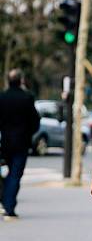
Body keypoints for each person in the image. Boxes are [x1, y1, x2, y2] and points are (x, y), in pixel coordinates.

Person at [0, 69, 40, 220]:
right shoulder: (27, 98)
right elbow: (35, 120)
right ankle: (9, 207)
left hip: (5, 142)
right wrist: (29, 133)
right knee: (15, 174)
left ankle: (5, 200)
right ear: (21, 81)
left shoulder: (2, 97)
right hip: (22, 142)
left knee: (11, 174)